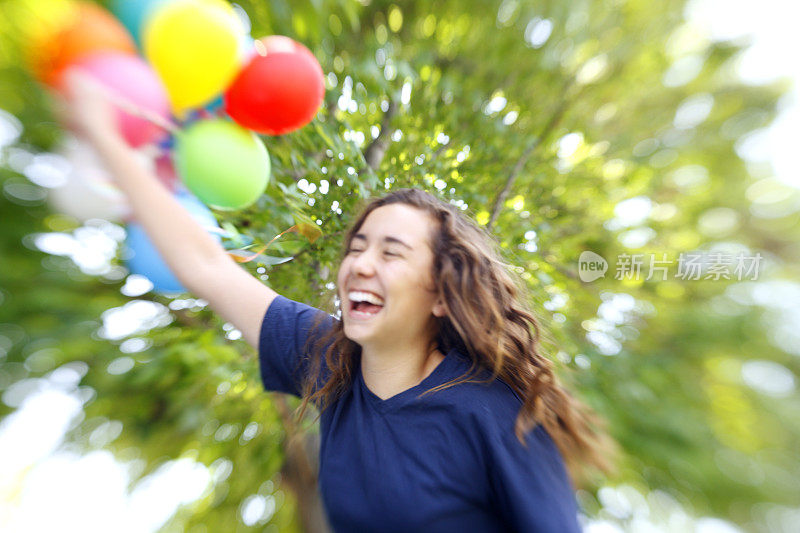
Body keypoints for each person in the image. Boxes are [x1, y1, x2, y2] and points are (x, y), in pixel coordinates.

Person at [60, 72, 615, 532]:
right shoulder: (328, 358)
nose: (361, 264)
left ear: (442, 296)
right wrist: (108, 138)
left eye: (392, 252)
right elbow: (205, 265)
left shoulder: (495, 411)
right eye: (357, 246)